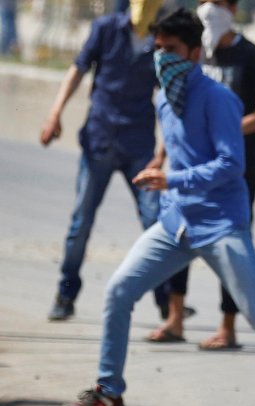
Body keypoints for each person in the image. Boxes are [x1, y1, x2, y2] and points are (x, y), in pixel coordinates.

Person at [61, 9, 255, 406]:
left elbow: (231, 165)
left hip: (221, 224)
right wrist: (157, 164)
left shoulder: (220, 99)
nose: (161, 57)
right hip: (176, 222)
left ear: (195, 52)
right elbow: (172, 143)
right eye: (157, 48)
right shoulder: (162, 96)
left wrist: (171, 177)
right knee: (118, 291)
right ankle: (109, 392)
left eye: (171, 49)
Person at [148, 0, 255, 349]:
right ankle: (175, 318)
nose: (210, 8)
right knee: (180, 233)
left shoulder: (251, 56)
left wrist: (229, 131)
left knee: (233, 245)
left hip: (233, 168)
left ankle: (228, 326)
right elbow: (173, 116)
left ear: (233, 8)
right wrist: (159, 157)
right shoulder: (188, 52)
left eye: (219, 2)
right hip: (186, 168)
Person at [40, 0, 170, 322]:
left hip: (140, 146)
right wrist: (55, 113)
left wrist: (163, 152)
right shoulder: (106, 29)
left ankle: (168, 302)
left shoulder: (162, 39)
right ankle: (65, 293)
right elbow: (78, 69)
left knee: (154, 221)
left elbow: (170, 95)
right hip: (100, 139)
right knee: (81, 222)